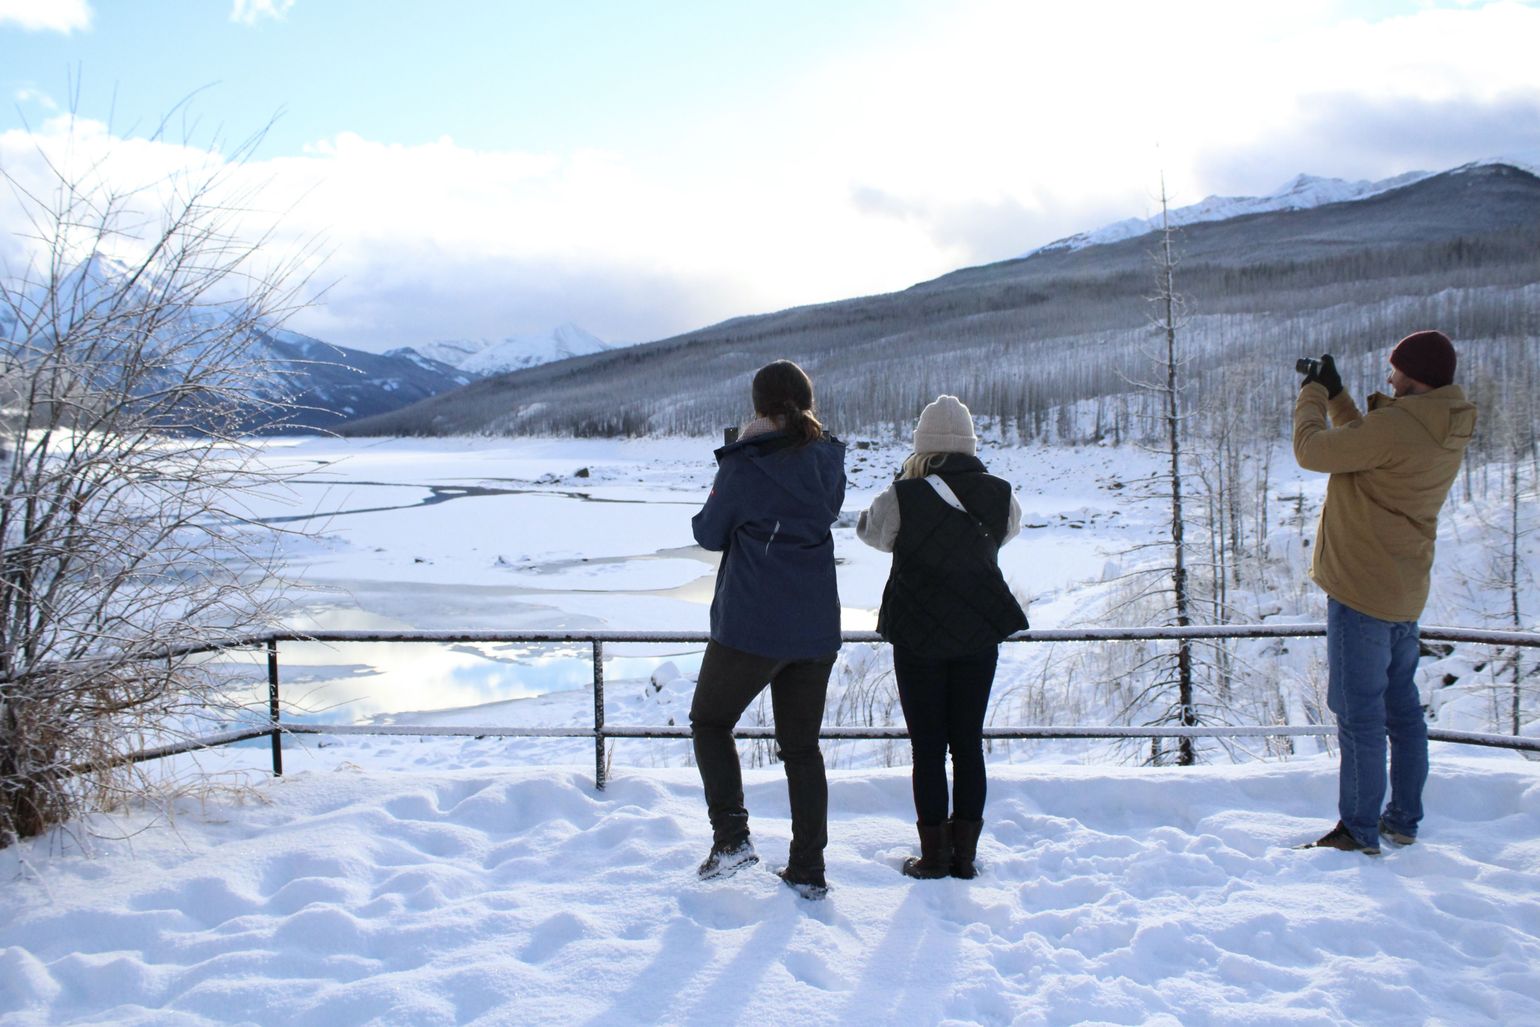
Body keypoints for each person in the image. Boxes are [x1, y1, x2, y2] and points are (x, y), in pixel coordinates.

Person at [1293, 331, 1476, 855]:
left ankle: (1357, 830)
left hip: (1361, 591)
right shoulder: (1441, 423)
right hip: (1402, 591)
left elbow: (1313, 451)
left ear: (1414, 378)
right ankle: (1403, 820)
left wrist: (1310, 393)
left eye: (1394, 370)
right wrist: (1339, 397)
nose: (1388, 376)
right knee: (1402, 712)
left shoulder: (1398, 427)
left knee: (1359, 715)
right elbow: (1372, 446)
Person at [689, 360, 846, 899]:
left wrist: (732, 463)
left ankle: (732, 840)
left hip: (752, 625)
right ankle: (808, 869)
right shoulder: (828, 459)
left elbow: (710, 533)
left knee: (710, 722)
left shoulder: (745, 464)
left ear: (758, 406)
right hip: (815, 627)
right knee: (802, 749)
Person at [856, 395, 1028, 879]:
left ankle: (933, 857)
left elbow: (869, 532)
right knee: (968, 745)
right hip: (978, 634)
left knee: (928, 749)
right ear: (971, 444)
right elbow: (1008, 532)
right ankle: (965, 857)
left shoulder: (903, 495)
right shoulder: (1000, 493)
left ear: (921, 446)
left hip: (917, 636)